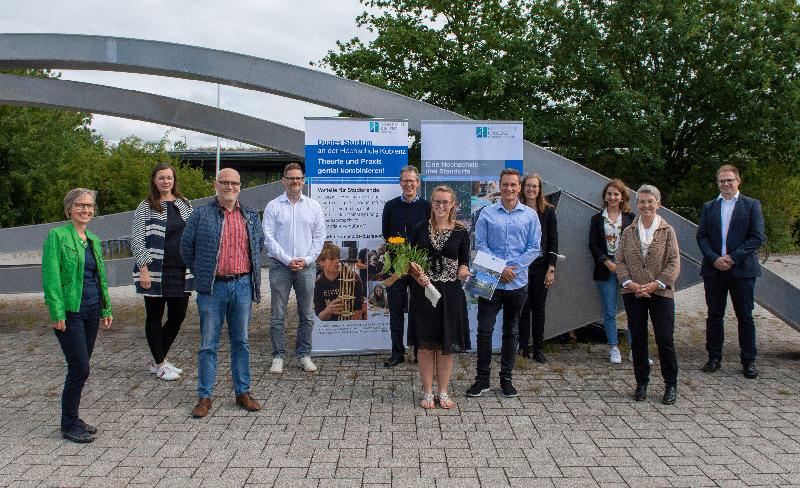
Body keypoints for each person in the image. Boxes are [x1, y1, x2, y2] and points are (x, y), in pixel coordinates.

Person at [180, 168, 264, 418]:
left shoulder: (249, 215)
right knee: (208, 344)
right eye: (224, 182)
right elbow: (186, 248)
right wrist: (204, 273)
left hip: (241, 285)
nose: (229, 187)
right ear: (215, 185)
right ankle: (205, 396)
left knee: (242, 341)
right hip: (212, 287)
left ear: (240, 186)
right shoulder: (201, 215)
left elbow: (257, 244)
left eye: (234, 183)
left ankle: (242, 392)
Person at [42, 188, 113, 443]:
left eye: (90, 206)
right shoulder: (57, 236)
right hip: (70, 313)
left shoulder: (92, 238)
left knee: (81, 368)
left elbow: (100, 277)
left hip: (92, 310)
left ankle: (73, 417)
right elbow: (51, 278)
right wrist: (56, 311)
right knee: (80, 368)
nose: (86, 210)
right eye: (81, 205)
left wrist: (106, 308)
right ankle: (68, 423)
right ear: (69, 208)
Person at [467, 168, 541, 398]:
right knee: (484, 331)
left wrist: (512, 269)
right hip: (488, 279)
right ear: (499, 186)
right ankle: (482, 380)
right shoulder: (486, 213)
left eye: (513, 185)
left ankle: (506, 379)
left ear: (519, 187)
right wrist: (500, 269)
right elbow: (480, 245)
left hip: (517, 282)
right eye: (505, 184)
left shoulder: (530, 215)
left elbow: (534, 247)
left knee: (512, 331)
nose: (509, 189)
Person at [697, 164, 766, 379]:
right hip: (714, 269)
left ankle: (748, 361)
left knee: (744, 316)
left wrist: (732, 257)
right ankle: (714, 357)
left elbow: (757, 237)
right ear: (717, 183)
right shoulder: (709, 206)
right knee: (714, 315)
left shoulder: (751, 205)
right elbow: (702, 236)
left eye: (729, 180)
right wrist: (714, 258)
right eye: (721, 181)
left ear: (738, 181)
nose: (725, 184)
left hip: (742, 270)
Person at [616, 185, 681, 405]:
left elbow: (673, 262)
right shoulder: (628, 231)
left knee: (664, 339)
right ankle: (641, 382)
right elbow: (620, 260)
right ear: (637, 204)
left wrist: (656, 284)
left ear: (658, 204)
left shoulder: (667, 230)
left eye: (650, 201)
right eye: (641, 201)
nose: (645, 205)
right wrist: (630, 283)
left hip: (661, 292)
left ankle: (670, 384)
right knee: (639, 339)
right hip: (633, 292)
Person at [408, 185, 471, 409]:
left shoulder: (462, 231)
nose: (441, 206)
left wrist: (463, 269)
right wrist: (418, 276)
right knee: (425, 345)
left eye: (445, 202)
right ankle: (427, 392)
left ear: (453, 204)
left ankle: (443, 392)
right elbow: (409, 261)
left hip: (450, 293)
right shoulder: (419, 229)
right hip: (424, 293)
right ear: (431, 203)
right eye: (437, 202)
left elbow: (464, 260)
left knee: (446, 344)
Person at [131, 162, 193, 382]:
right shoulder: (145, 206)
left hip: (180, 271)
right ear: (154, 181)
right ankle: (160, 363)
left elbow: (191, 235)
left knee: (178, 315)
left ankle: (158, 359)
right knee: (154, 317)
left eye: (169, 178)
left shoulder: (184, 204)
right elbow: (137, 240)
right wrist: (144, 269)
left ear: (174, 180)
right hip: (155, 271)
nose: (166, 182)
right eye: (161, 178)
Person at [262, 163, 326, 374]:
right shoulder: (273, 206)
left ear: (303, 180)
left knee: (307, 314)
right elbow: (269, 238)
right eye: (291, 178)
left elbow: (319, 237)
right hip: (281, 266)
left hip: (306, 267)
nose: (295, 181)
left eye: (298, 178)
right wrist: (288, 259)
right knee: (277, 314)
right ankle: (278, 355)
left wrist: (307, 259)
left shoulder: (313, 206)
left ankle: (303, 354)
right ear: (284, 181)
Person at [381, 165, 431, 368]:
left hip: (419, 267)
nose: (409, 184)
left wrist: (417, 261)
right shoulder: (391, 206)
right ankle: (397, 353)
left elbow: (430, 235)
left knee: (420, 310)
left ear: (418, 183)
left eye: (412, 180)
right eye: (405, 180)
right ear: (400, 183)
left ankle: (420, 352)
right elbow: (387, 234)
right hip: (398, 266)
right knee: (395, 310)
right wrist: (401, 256)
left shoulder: (427, 206)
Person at [589, 179, 636, 364]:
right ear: (605, 197)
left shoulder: (631, 218)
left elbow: (636, 244)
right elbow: (592, 244)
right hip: (606, 268)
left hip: (628, 269)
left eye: (616, 194)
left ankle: (635, 348)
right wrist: (605, 261)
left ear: (622, 197)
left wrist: (623, 264)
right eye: (609, 194)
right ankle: (614, 347)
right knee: (609, 310)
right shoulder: (597, 219)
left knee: (634, 310)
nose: (612, 197)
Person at [517, 173, 558, 363]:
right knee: (523, 308)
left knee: (539, 309)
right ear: (523, 188)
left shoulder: (548, 211)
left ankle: (538, 349)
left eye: (535, 186)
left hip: (541, 267)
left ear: (540, 189)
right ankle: (523, 347)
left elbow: (553, 240)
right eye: (528, 186)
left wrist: (551, 268)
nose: (531, 189)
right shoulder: (517, 210)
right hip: (522, 266)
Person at [314, 242, 366, 320]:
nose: (337, 261)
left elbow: (359, 309)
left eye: (338, 257)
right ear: (322, 262)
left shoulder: (352, 277)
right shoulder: (318, 283)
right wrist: (328, 311)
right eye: (332, 258)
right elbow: (320, 316)